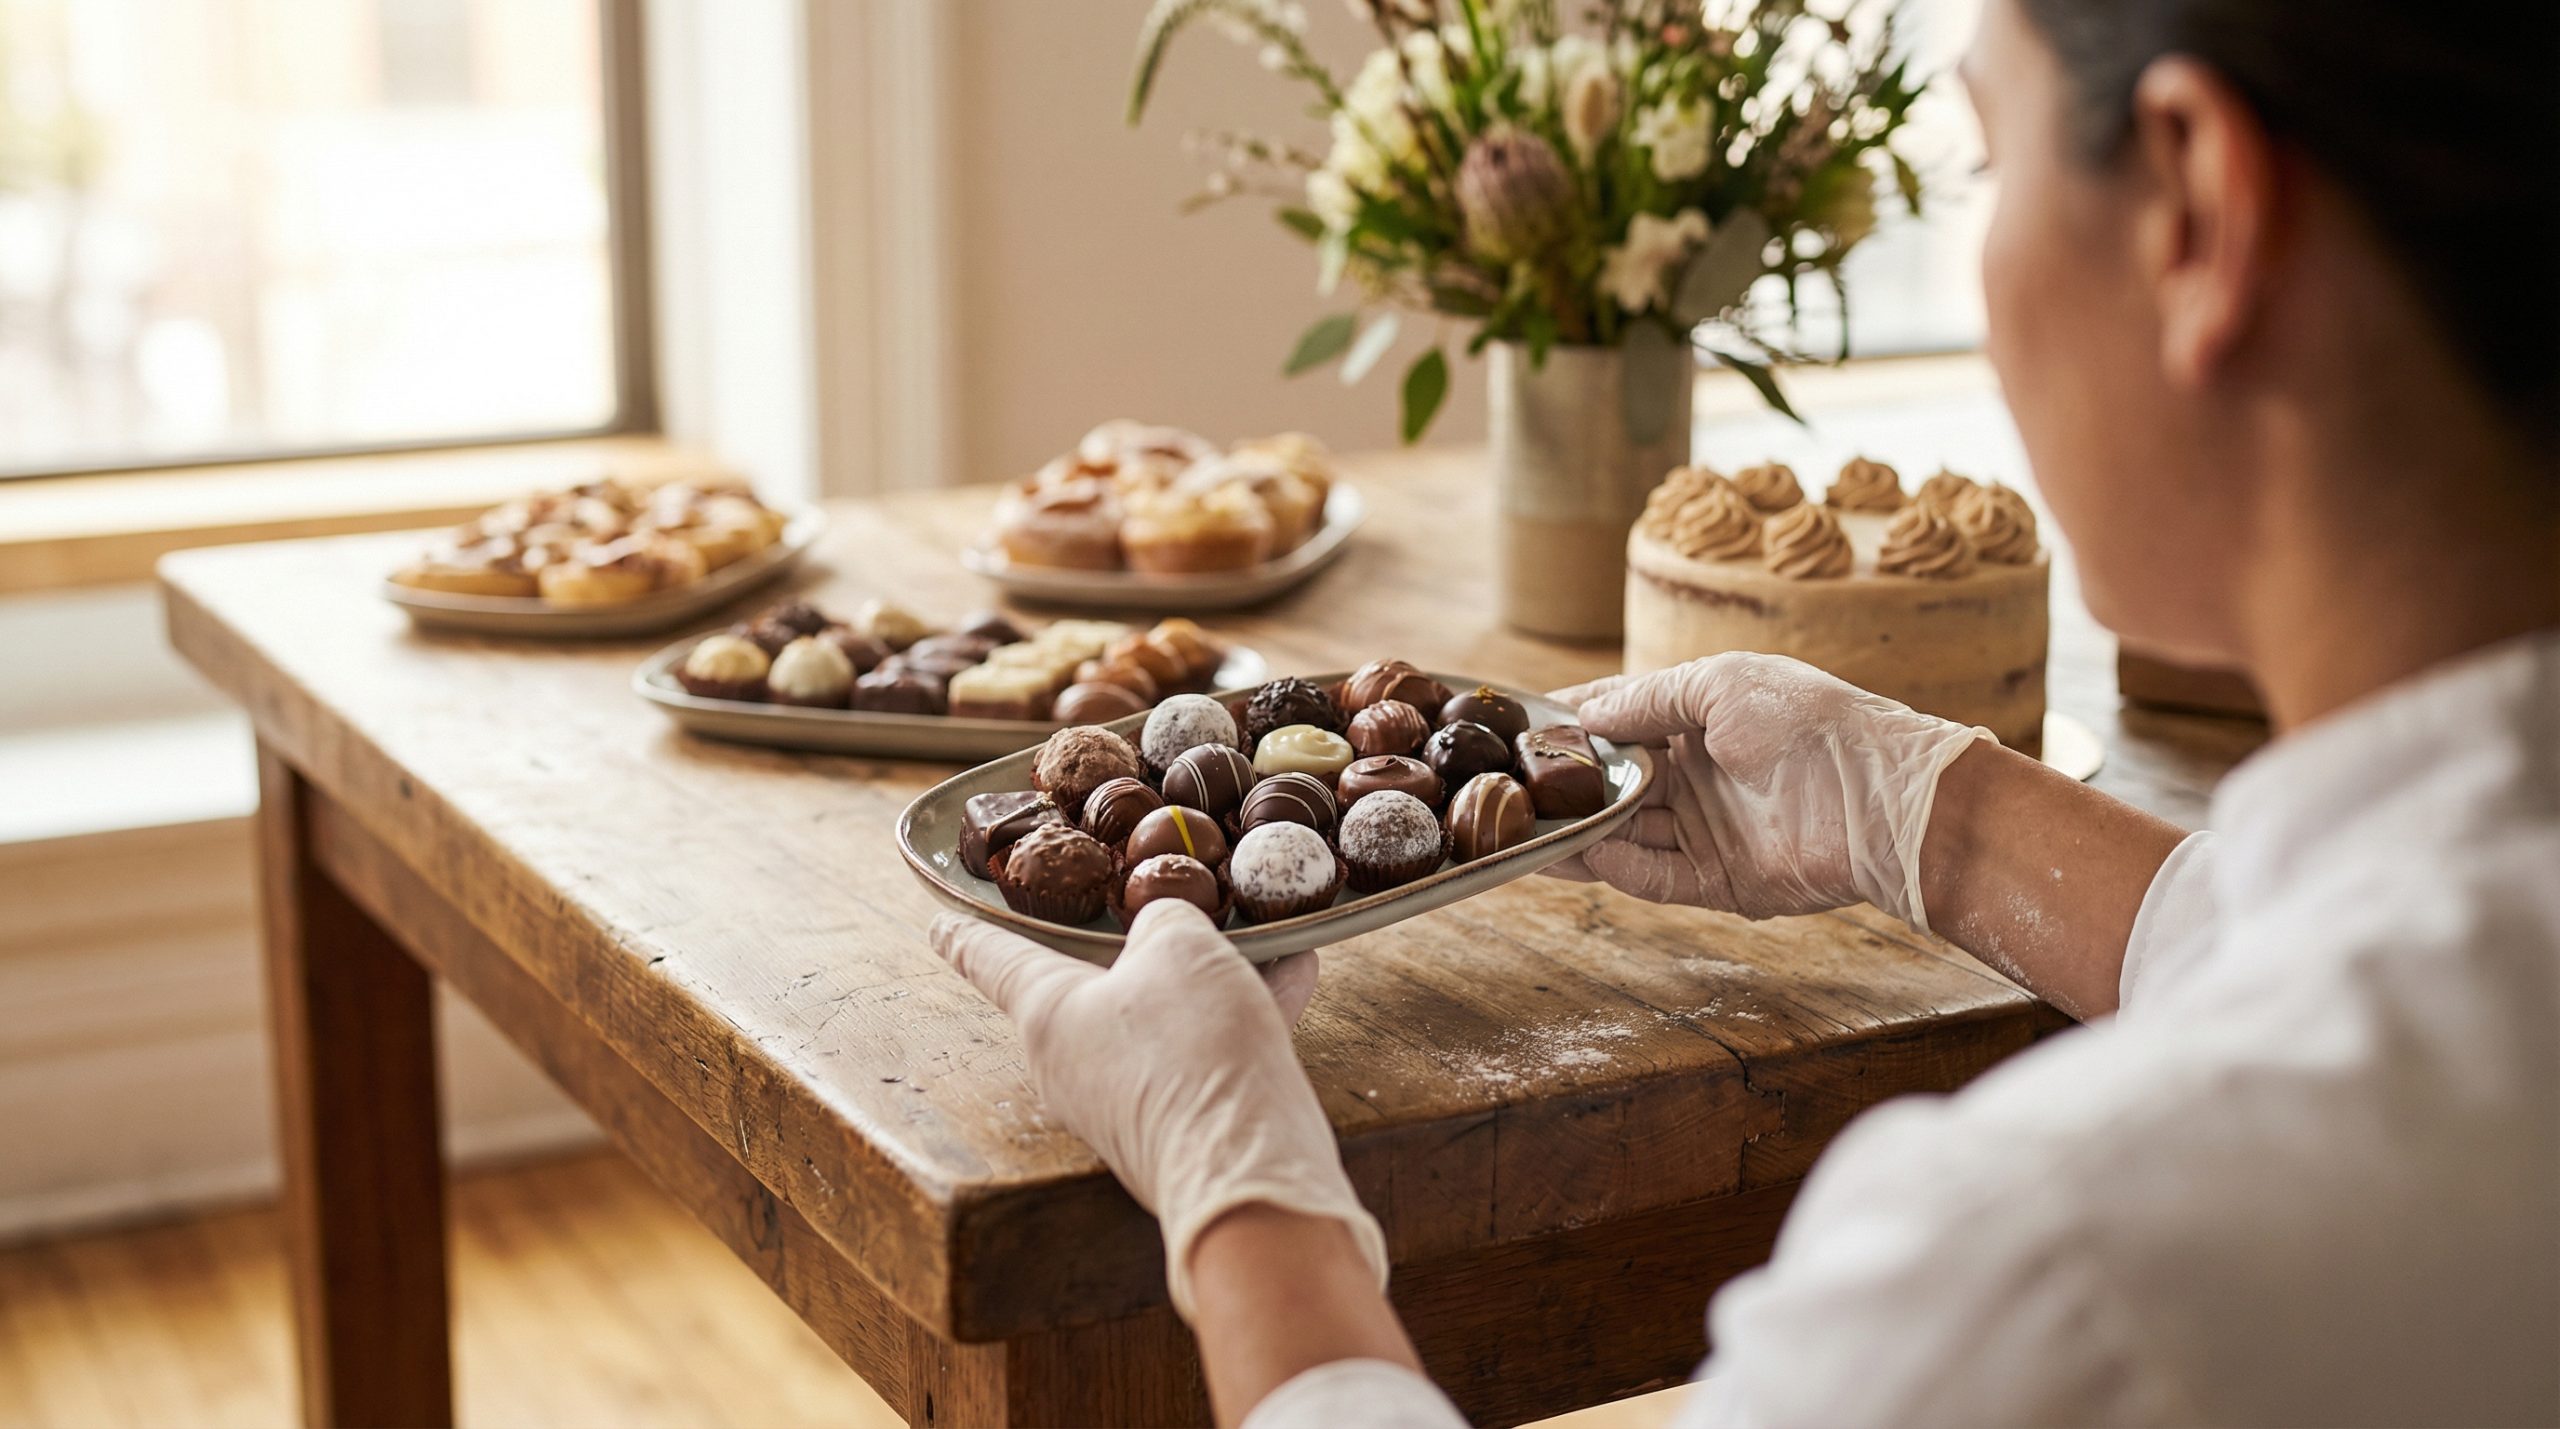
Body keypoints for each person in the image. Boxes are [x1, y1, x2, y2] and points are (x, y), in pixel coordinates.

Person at [931, 0, 2560, 1421]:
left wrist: (1244, 1187)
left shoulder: (2053, 1269)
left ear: (2195, 206)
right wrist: (1937, 812)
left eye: (1988, 164)